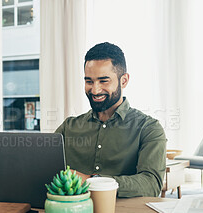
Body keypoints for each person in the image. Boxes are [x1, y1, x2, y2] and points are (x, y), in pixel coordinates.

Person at [55, 42, 166, 198]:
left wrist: (91, 182)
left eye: (103, 81)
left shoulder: (149, 128)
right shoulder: (68, 127)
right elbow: (43, 169)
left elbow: (151, 185)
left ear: (124, 81)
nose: (95, 90)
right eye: (89, 81)